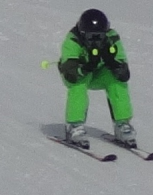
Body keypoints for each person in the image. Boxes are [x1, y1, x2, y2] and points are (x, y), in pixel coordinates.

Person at [57, 9, 137, 149]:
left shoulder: (112, 38)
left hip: (99, 74)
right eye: (91, 37)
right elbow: (70, 75)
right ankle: (74, 125)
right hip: (78, 75)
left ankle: (122, 124)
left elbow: (124, 74)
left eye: (99, 36)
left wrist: (113, 63)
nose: (95, 41)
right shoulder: (73, 40)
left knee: (116, 81)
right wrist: (86, 67)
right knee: (78, 85)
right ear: (83, 34)